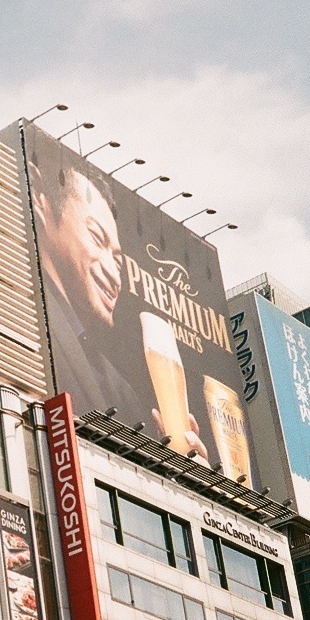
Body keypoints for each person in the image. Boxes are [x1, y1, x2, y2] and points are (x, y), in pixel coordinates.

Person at [31, 153, 207, 457]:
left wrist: (186, 471)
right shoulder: (24, 312)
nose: (114, 274)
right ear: (40, 201)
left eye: (118, 260)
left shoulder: (120, 389)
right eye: (97, 238)